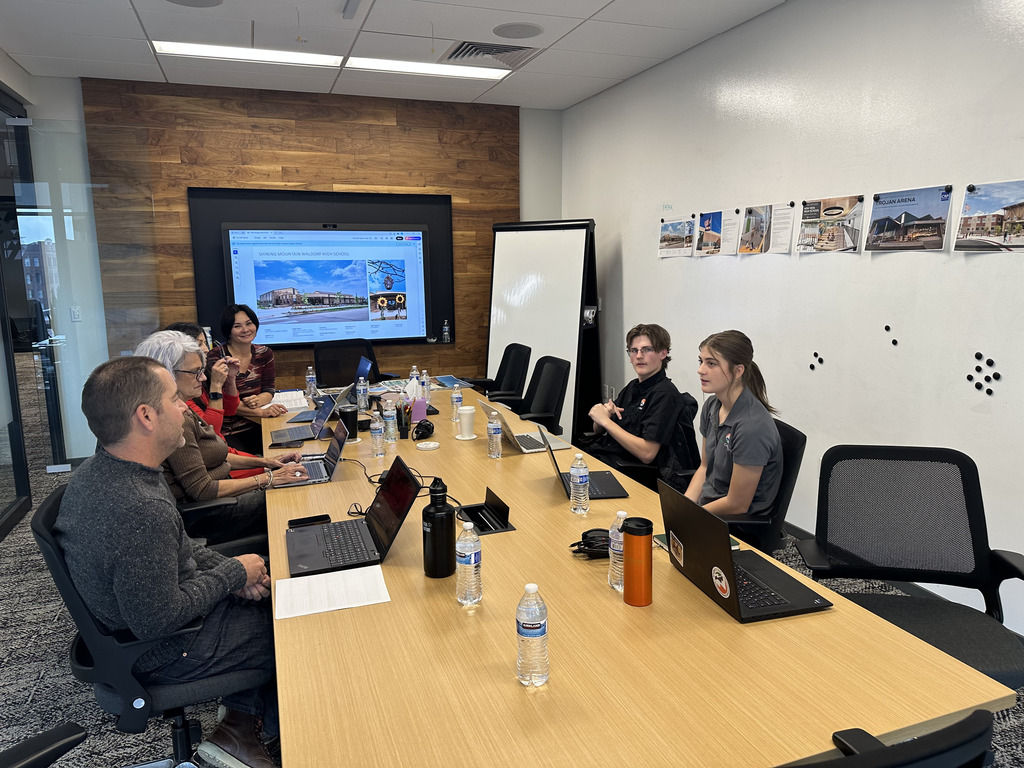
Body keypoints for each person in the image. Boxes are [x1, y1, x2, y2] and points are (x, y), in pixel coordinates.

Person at [54, 356, 279, 768]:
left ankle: (240, 727)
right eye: (175, 399)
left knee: (273, 588)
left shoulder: (113, 470)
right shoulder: (137, 508)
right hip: (163, 650)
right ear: (146, 416)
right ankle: (269, 734)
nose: (185, 409)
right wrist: (232, 573)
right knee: (296, 630)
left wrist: (240, 575)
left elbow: (183, 548)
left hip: (150, 628)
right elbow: (157, 620)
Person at [135, 330, 309, 545]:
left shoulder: (182, 407)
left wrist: (267, 463)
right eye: (196, 372)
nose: (204, 377)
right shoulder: (174, 418)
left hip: (218, 495)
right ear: (168, 373)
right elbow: (202, 488)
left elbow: (216, 455)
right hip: (207, 514)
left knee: (293, 483)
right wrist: (269, 478)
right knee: (293, 494)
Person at [685, 330, 782, 517]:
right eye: (701, 361)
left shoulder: (752, 426)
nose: (700, 370)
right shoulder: (712, 406)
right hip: (707, 510)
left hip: (737, 524)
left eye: (711, 363)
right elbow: (704, 468)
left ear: (738, 371)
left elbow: (737, 504)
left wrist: (689, 516)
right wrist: (683, 507)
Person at [586, 323, 682, 476]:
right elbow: (597, 430)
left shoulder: (665, 394)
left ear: (663, 353)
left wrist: (606, 421)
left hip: (626, 473)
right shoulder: (633, 387)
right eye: (633, 350)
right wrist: (603, 417)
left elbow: (647, 454)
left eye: (647, 349)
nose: (638, 356)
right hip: (600, 459)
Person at [205, 305, 286, 455]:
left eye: (249, 323)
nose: (245, 329)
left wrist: (258, 400)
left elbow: (269, 390)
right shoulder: (216, 357)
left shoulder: (265, 353)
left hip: (258, 424)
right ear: (228, 330)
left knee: (288, 450)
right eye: (237, 326)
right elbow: (220, 401)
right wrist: (259, 412)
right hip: (229, 431)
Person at [165, 321, 241, 439]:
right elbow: (209, 431)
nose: (206, 349)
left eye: (206, 343)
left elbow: (230, 410)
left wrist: (230, 378)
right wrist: (216, 385)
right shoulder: (182, 385)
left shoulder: (205, 372)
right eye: (199, 344)